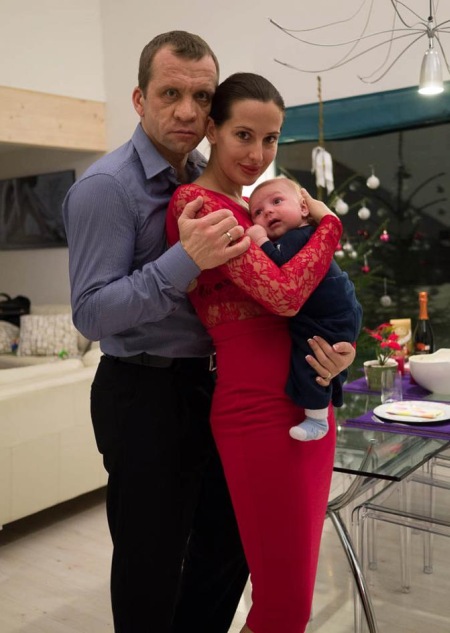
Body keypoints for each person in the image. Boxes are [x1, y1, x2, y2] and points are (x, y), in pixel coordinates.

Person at [63, 31, 355, 633]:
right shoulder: (106, 188)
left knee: (224, 557)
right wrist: (182, 261)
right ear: (140, 99)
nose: (188, 111)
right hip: (145, 391)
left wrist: (333, 352)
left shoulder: (221, 182)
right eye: (170, 94)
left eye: (201, 96)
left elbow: (282, 298)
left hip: (220, 386)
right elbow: (90, 314)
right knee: (152, 568)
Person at [166, 72, 352, 633]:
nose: (258, 154)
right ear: (213, 130)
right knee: (284, 607)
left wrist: (341, 353)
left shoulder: (257, 208)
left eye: (270, 139)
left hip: (308, 397)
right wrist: (329, 226)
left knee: (287, 600)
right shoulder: (198, 204)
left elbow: (319, 297)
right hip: (256, 411)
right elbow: (285, 295)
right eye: (243, 135)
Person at [247, 177, 362, 441]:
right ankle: (327, 402)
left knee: (311, 359)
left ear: (303, 207)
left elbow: (279, 267)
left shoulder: (299, 236)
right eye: (258, 212)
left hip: (328, 315)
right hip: (334, 311)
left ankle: (317, 419)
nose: (268, 212)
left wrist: (260, 240)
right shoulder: (307, 236)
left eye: (277, 201)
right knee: (322, 358)